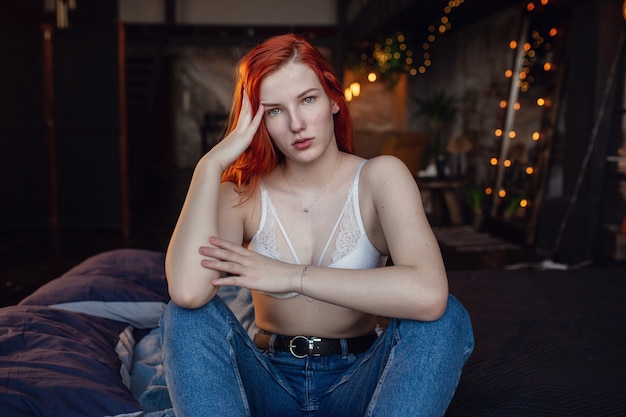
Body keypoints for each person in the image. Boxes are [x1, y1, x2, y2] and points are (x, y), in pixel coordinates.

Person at [161, 33, 474, 417]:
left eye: (308, 100)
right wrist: (209, 165)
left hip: (359, 380)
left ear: (334, 101)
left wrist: (292, 276)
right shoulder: (242, 195)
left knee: (446, 318)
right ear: (258, 121)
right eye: (274, 110)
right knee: (185, 316)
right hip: (269, 381)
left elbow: (429, 293)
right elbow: (188, 292)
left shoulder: (380, 178)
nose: (296, 124)